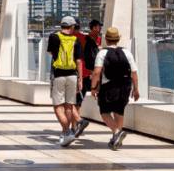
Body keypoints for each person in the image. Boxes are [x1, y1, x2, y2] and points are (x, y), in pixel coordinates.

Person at [90, 27, 140, 150]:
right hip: (125, 86)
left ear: (106, 39)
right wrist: (136, 89)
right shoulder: (127, 52)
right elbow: (134, 73)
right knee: (119, 112)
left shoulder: (102, 53)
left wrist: (93, 87)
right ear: (118, 39)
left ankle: (117, 132)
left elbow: (97, 72)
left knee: (104, 112)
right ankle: (115, 140)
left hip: (109, 87)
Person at [48, 15, 84, 147]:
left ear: (61, 26)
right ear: (73, 26)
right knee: (69, 106)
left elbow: (51, 53)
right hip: (73, 75)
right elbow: (79, 61)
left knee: (57, 106)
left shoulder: (54, 37)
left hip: (59, 75)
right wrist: (80, 80)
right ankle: (65, 134)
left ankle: (68, 132)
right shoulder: (76, 40)